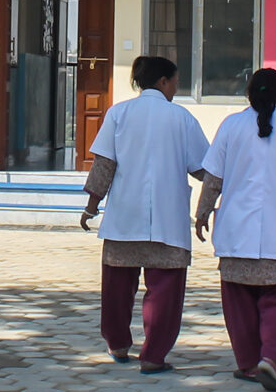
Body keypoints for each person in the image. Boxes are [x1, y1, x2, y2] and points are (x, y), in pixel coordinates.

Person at [194, 68, 276, 392]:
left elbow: (213, 181)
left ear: (248, 94)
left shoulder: (230, 127)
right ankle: (272, 359)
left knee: (239, 303)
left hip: (237, 237)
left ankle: (248, 363)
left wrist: (201, 214)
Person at [78, 55, 210, 374]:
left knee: (117, 289)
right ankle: (154, 355)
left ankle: (118, 343)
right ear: (163, 82)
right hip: (169, 221)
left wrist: (91, 206)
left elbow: (104, 165)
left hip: (125, 217)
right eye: (176, 82)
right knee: (165, 292)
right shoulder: (183, 119)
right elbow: (203, 169)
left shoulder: (118, 113)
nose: (176, 89)